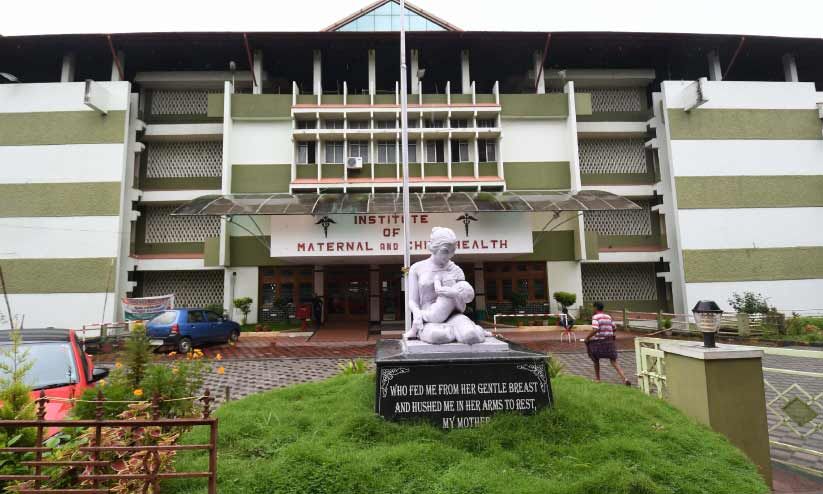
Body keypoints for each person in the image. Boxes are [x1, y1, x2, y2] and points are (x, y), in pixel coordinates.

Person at [584, 301, 631, 386]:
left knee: (595, 359)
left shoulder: (595, 317)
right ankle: (625, 379)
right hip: (609, 343)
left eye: (593, 307)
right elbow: (614, 328)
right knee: (614, 361)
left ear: (595, 308)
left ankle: (598, 379)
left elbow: (595, 329)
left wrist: (587, 338)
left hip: (599, 344)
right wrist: (609, 333)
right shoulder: (608, 317)